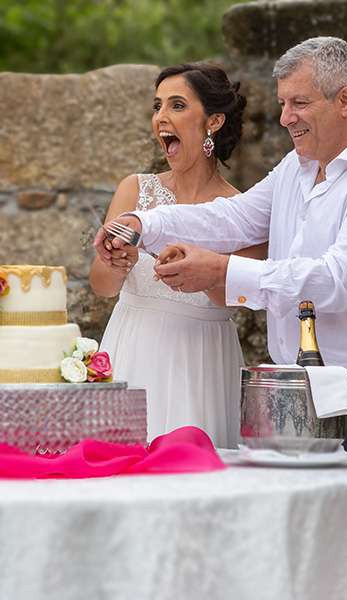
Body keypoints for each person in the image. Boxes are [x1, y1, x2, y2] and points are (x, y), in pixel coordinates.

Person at [94, 37, 347, 493]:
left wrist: (222, 273)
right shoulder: (296, 166)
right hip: (288, 390)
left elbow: (339, 281)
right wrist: (142, 222)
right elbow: (233, 218)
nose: (285, 117)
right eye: (282, 103)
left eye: (299, 103)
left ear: (346, 100)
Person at [90, 63, 266, 448]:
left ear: (214, 121)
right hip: (131, 345)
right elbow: (102, 288)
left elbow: (231, 300)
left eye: (177, 105)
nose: (161, 118)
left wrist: (202, 272)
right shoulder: (134, 190)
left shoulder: (245, 211)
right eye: (157, 106)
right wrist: (116, 264)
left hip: (199, 361)